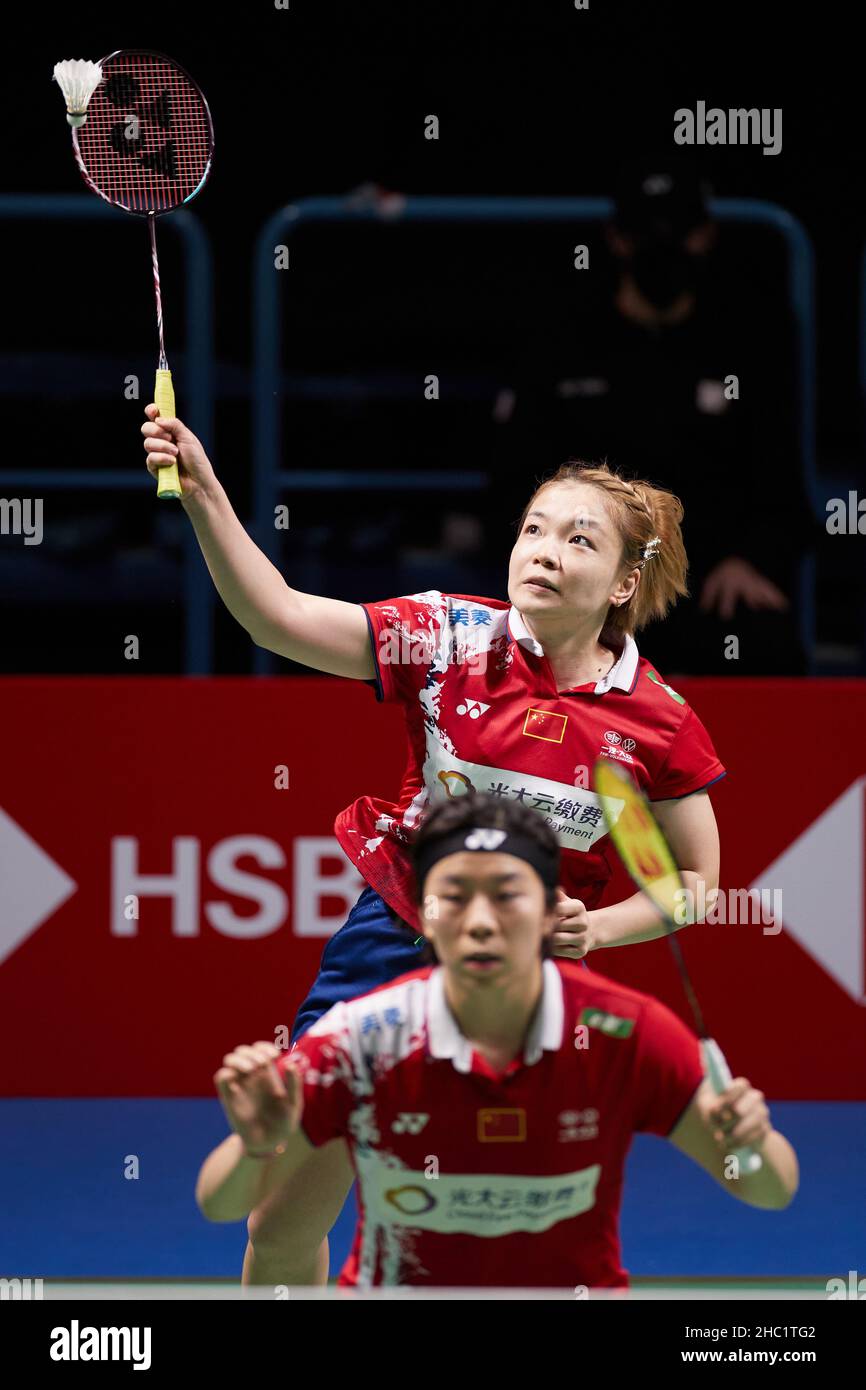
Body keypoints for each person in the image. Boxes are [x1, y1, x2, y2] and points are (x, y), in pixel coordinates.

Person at [142, 407, 727, 1283]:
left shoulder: (658, 723)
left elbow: (695, 883)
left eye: (577, 539)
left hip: (527, 991)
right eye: (534, 528)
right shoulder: (448, 637)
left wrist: (597, 932)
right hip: (392, 945)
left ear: (619, 585)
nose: (542, 550)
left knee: (508, 1230)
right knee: (279, 1218)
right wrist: (207, 498)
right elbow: (280, 620)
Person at [195, 792, 798, 1290]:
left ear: (550, 912)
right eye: (456, 896)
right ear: (424, 912)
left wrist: (751, 1142)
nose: (480, 920)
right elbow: (222, 1205)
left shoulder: (622, 1035)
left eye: (506, 896)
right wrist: (255, 1146)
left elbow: (769, 1189)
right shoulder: (362, 1038)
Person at [493, 160, 818, 675]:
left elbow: (781, 485)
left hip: (706, 585)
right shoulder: (563, 341)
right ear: (617, 239)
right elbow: (514, 485)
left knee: (762, 647)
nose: (662, 246)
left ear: (706, 236)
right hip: (585, 586)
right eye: (644, 233)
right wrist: (570, 574)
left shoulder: (752, 340)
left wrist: (752, 560)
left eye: (680, 231)